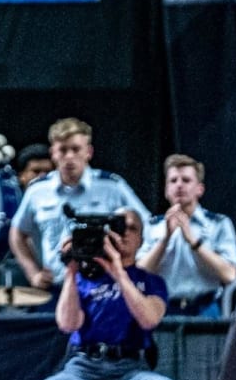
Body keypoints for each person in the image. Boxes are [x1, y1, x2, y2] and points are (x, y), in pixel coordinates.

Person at [19, 209, 181, 380]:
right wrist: (71, 270)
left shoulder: (150, 281)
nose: (124, 233)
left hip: (131, 369)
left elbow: (149, 320)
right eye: (118, 228)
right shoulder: (83, 279)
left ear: (141, 239)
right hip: (84, 368)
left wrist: (118, 272)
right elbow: (67, 324)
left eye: (131, 228)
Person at [10, 118, 150, 300]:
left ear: (88, 152)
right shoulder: (38, 191)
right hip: (56, 289)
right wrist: (33, 273)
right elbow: (17, 233)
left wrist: (133, 267)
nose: (69, 157)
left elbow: (148, 227)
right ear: (53, 153)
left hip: (105, 287)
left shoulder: (111, 187)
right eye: (62, 150)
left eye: (75, 149)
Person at [137, 154, 236, 318]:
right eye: (173, 180)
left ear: (200, 189)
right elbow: (140, 275)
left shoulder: (218, 224)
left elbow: (229, 275)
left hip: (205, 310)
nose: (179, 185)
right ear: (166, 189)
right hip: (162, 310)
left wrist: (194, 242)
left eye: (186, 180)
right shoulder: (153, 226)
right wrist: (164, 240)